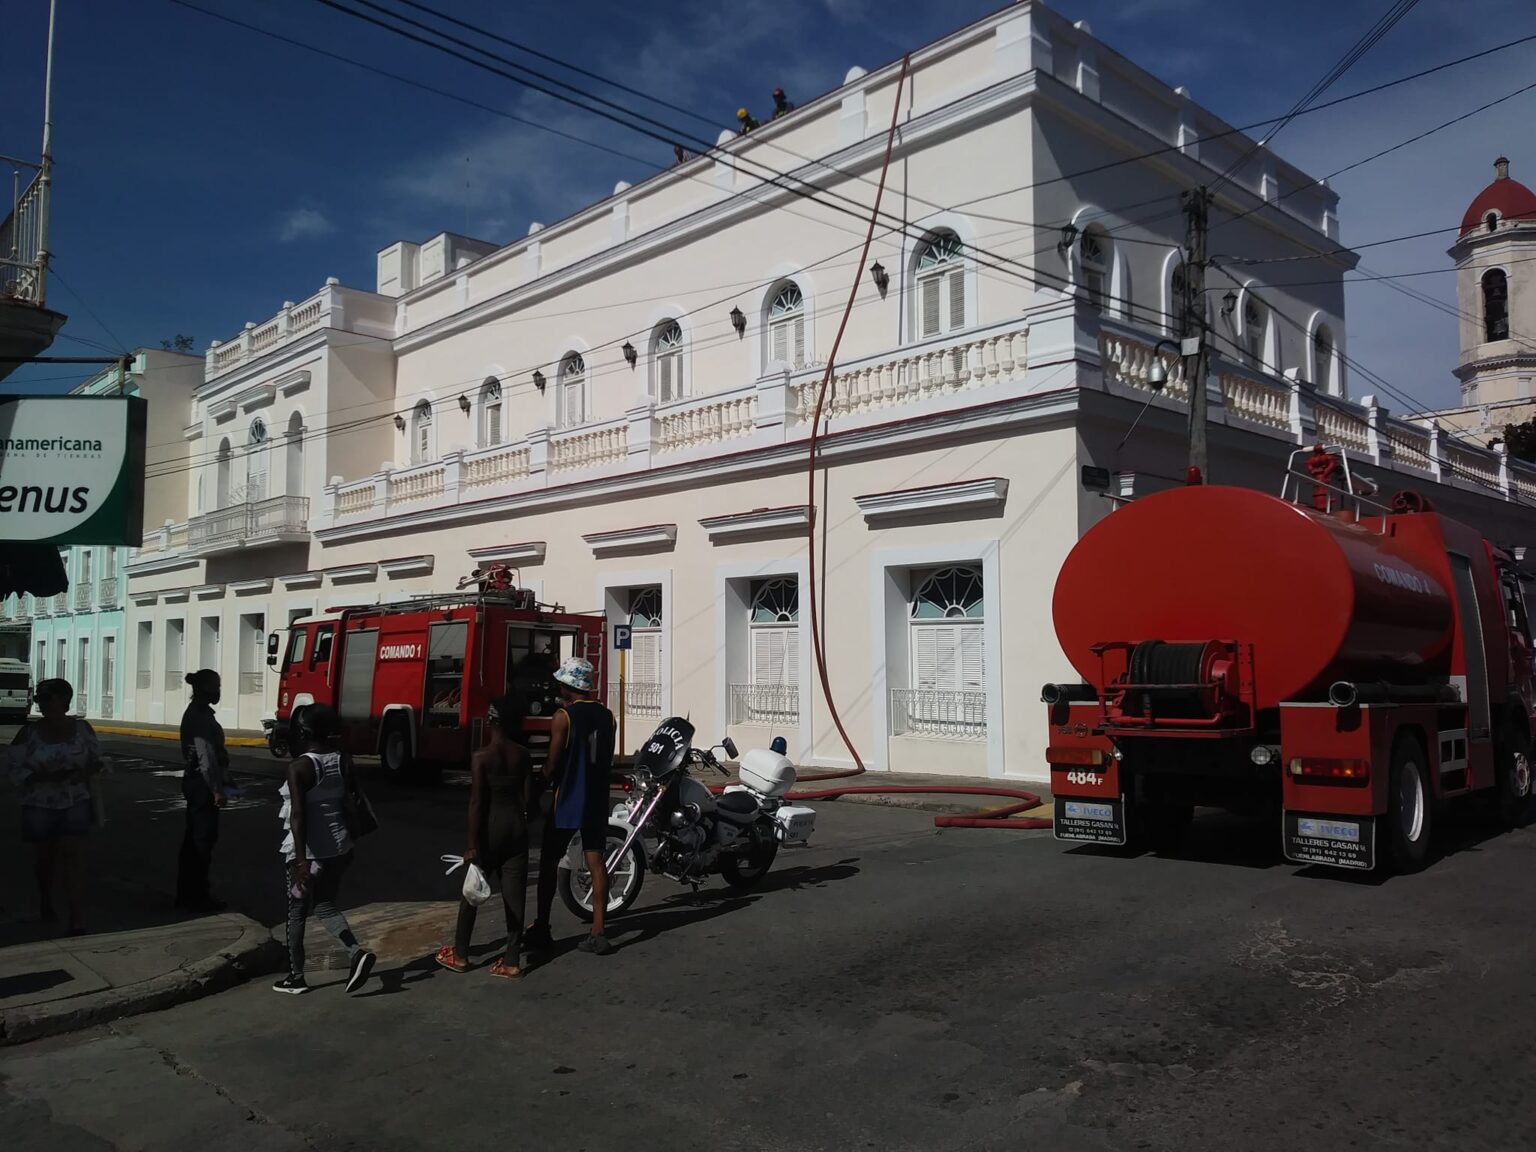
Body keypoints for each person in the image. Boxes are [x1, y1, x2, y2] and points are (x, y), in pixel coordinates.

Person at [273, 704, 377, 995]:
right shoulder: (342, 759)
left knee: (296, 913)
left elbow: (298, 816)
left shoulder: (300, 767)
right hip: (340, 849)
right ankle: (356, 953)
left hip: (311, 856)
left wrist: (301, 862)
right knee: (325, 904)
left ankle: (296, 977)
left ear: (303, 733)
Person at [525, 656, 617, 957]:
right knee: (596, 861)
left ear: (569, 685)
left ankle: (542, 927)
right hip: (596, 798)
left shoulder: (563, 717)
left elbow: (552, 764)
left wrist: (534, 790)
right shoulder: (608, 717)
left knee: (550, 862)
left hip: (568, 800)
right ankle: (598, 930)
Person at [436, 695, 532, 979]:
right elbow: (529, 800)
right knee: (515, 899)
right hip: (516, 828)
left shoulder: (481, 757)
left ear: (491, 721)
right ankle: (512, 961)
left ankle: (461, 954)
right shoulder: (523, 755)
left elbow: (477, 803)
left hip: (490, 830)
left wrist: (471, 845)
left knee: (472, 893)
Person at [8, 679, 102, 932]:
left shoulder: (83, 729)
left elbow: (98, 760)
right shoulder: (28, 733)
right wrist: (39, 777)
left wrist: (85, 772)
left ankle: (76, 915)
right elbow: (13, 768)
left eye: (48, 698)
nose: (43, 704)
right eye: (40, 699)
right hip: (39, 804)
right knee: (45, 860)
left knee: (72, 857)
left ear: (64, 700)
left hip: (74, 801)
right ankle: (46, 902)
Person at [177, 669, 228, 913]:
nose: (219, 691)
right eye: (216, 686)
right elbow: (205, 755)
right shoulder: (199, 716)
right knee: (201, 841)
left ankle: (190, 893)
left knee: (197, 839)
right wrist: (217, 790)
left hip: (199, 782)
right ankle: (196, 895)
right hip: (202, 785)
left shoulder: (201, 714)